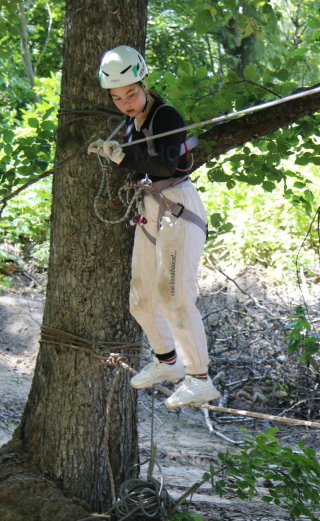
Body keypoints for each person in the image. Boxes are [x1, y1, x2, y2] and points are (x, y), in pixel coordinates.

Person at [88, 45, 220, 408]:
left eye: (131, 92)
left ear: (145, 83)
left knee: (174, 297)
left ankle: (199, 377)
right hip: (151, 207)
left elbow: (164, 165)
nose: (126, 102)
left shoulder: (166, 116)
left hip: (178, 205)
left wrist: (122, 155)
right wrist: (123, 153)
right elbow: (144, 164)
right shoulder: (133, 122)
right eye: (117, 97)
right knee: (141, 298)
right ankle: (168, 363)